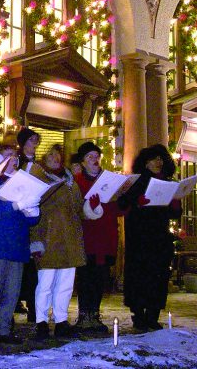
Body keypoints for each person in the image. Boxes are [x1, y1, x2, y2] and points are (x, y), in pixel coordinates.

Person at [118, 144, 182, 331]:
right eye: (154, 159)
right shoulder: (138, 181)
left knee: (158, 276)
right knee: (140, 276)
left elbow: (174, 214)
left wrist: (175, 203)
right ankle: (139, 315)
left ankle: (153, 315)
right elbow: (123, 204)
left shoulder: (168, 183)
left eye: (161, 158)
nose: (158, 162)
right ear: (145, 163)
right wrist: (137, 203)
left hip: (160, 238)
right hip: (140, 238)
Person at [0, 153, 39, 347]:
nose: (14, 162)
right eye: (9, 159)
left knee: (11, 292)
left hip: (17, 246)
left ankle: (4, 329)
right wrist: (17, 204)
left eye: (15, 160)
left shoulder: (23, 183)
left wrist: (33, 209)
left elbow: (32, 220)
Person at [30, 144, 85, 340]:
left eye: (58, 155)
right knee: (45, 283)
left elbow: (78, 208)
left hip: (69, 239)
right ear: (44, 158)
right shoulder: (37, 179)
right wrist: (35, 240)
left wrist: (91, 205)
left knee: (65, 283)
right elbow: (33, 209)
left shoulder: (70, 181)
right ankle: (41, 321)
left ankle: (61, 320)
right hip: (48, 237)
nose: (55, 158)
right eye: (51, 155)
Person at [75, 141, 121, 334]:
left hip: (107, 237)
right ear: (83, 162)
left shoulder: (108, 179)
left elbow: (117, 209)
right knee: (87, 277)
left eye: (96, 156)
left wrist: (125, 199)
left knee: (101, 278)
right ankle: (84, 316)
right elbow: (75, 209)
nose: (95, 160)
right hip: (88, 237)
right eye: (90, 157)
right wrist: (88, 206)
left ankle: (94, 314)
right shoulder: (77, 181)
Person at [16, 127, 41, 323]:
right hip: (20, 216)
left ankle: (34, 308)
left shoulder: (38, 164)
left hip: (34, 217)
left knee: (34, 266)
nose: (35, 144)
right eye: (32, 140)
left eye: (36, 140)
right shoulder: (17, 162)